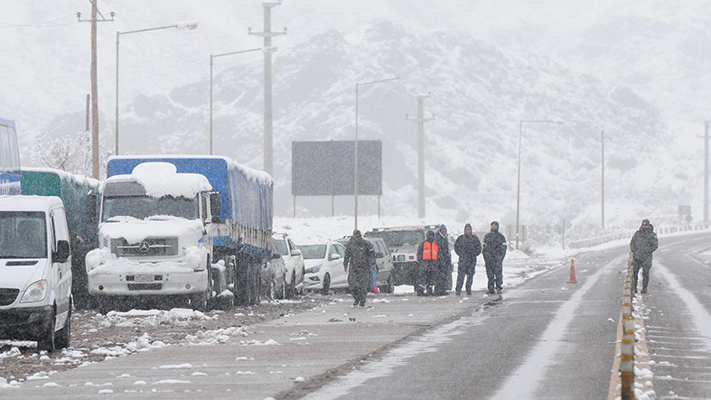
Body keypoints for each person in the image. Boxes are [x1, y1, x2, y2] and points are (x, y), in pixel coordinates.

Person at [344, 230, 375, 306]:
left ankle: (362, 300)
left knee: (363, 285)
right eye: (356, 237)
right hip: (353, 267)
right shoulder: (350, 244)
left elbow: (372, 254)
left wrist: (372, 263)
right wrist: (345, 264)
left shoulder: (366, 244)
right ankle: (356, 298)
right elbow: (347, 255)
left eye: (358, 237)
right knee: (352, 284)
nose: (357, 239)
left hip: (364, 267)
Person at [630, 219, 659, 294]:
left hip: (647, 257)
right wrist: (634, 251)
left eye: (646, 225)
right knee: (635, 273)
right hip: (637, 257)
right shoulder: (637, 234)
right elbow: (632, 243)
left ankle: (644, 288)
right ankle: (634, 288)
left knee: (645, 273)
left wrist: (647, 250)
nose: (645, 226)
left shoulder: (652, 235)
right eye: (643, 225)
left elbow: (655, 245)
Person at [454, 223, 482, 295]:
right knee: (461, 276)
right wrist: (461, 254)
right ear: (464, 230)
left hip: (471, 260)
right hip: (463, 260)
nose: (468, 231)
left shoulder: (475, 238)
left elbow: (479, 248)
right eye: (467, 229)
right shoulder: (460, 238)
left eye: (469, 229)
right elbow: (456, 247)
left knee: (470, 276)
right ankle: (458, 289)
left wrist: (474, 254)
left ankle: (468, 289)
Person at [483, 221, 507, 295]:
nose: (493, 227)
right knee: (490, 275)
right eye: (492, 225)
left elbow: (504, 248)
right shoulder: (487, 236)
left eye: (495, 226)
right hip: (489, 260)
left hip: (497, 260)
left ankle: (498, 287)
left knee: (498, 274)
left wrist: (500, 258)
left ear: (497, 227)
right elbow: (484, 248)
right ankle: (491, 288)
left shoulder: (501, 237)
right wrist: (486, 257)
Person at [416, 230, 438, 296]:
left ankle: (430, 290)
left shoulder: (435, 244)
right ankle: (420, 290)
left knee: (431, 278)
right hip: (424, 263)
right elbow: (419, 254)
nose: (430, 237)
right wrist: (421, 262)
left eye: (431, 235)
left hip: (433, 263)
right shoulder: (423, 244)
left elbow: (438, 254)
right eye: (429, 235)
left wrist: (436, 263)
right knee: (423, 277)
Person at [434, 224, 452, 295]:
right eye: (442, 229)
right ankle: (439, 290)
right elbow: (439, 250)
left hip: (445, 259)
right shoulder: (438, 238)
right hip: (440, 260)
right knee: (440, 276)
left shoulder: (445, 237)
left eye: (445, 229)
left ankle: (442, 289)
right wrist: (441, 259)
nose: (444, 231)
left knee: (444, 276)